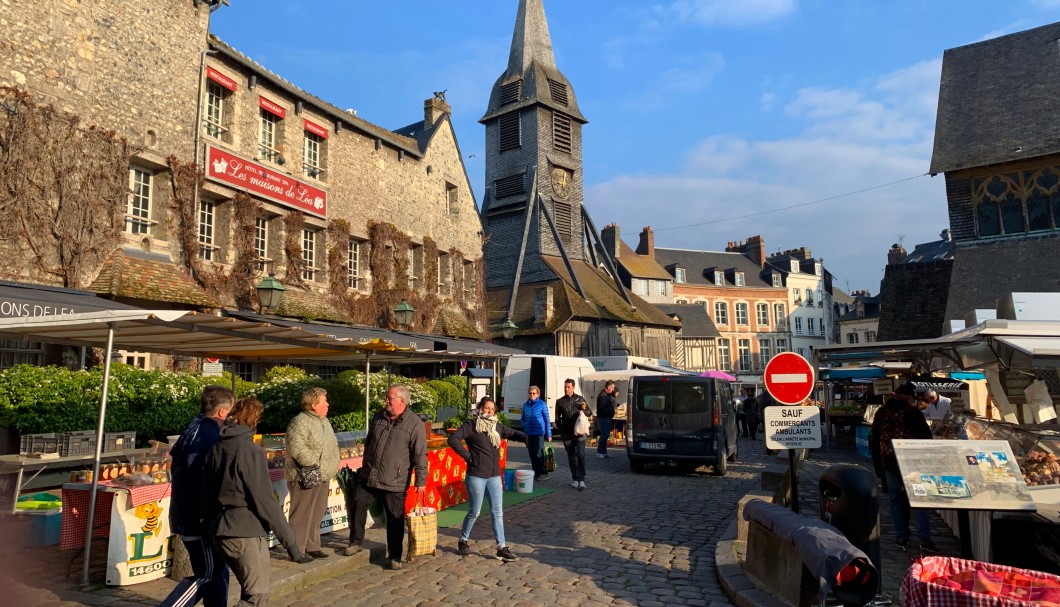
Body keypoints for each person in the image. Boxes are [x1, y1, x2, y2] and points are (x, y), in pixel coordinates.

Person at [203, 398, 311, 607]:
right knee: (256, 596)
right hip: (244, 530)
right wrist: (292, 545)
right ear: (254, 420)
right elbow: (264, 501)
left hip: (220, 528)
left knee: (250, 591)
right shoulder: (249, 451)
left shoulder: (216, 446)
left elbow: (205, 492)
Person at [160, 386, 232, 607]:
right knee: (208, 573)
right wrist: (205, 514)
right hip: (197, 517)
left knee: (217, 572)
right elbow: (199, 478)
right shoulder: (206, 434)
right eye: (230, 411)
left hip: (191, 513)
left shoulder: (196, 426)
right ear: (221, 412)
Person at [344, 384, 428, 570]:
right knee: (357, 502)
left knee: (395, 518)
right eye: (387, 398)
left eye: (390, 398)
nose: (386, 402)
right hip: (370, 475)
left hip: (395, 479)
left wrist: (421, 480)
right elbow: (369, 443)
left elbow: (420, 454)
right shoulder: (379, 416)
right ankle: (356, 542)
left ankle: (395, 556)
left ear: (401, 401)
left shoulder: (414, 423)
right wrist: (365, 465)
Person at [448, 397, 527, 561]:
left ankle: (501, 547)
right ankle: (463, 540)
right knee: (475, 512)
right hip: (476, 475)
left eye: (492, 409)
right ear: (480, 408)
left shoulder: (496, 426)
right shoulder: (471, 425)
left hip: (494, 476)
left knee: (497, 513)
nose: (489, 411)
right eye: (487, 408)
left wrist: (528, 437)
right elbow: (453, 439)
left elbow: (511, 433)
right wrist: (468, 457)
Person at [870, 383, 936, 551]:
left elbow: (875, 440)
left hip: (889, 462)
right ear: (908, 398)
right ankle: (925, 539)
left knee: (895, 499)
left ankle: (901, 536)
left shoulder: (882, 412)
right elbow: (927, 438)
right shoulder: (913, 413)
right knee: (920, 500)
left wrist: (878, 467)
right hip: (913, 462)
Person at [285, 387, 340, 560]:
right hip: (305, 475)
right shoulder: (299, 422)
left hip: (323, 474)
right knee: (301, 513)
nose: (327, 404)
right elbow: (296, 447)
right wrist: (313, 463)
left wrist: (332, 464)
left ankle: (312, 545)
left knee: (317, 512)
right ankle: (297, 550)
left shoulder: (324, 421)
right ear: (314, 404)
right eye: (324, 401)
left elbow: (332, 445)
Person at [555, 378, 591, 489]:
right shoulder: (560, 401)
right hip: (567, 433)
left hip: (579, 432)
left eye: (568, 387)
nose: (566, 389)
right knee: (571, 457)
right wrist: (562, 431)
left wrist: (583, 409)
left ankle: (582, 479)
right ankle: (575, 478)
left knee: (580, 454)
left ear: (573, 387)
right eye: (565, 387)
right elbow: (557, 419)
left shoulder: (580, 399)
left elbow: (589, 412)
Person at [520, 385, 552, 481]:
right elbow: (523, 418)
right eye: (530, 393)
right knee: (531, 453)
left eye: (534, 393)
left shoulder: (542, 404)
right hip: (528, 433)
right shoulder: (525, 405)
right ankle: (536, 472)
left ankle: (543, 472)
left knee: (538, 453)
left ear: (538, 394)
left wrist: (549, 434)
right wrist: (524, 425)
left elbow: (547, 420)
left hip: (539, 433)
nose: (532, 395)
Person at [595, 380, 617, 458]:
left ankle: (604, 452)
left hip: (606, 417)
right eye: (612, 388)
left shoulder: (607, 395)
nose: (613, 390)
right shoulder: (602, 396)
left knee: (606, 435)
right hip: (603, 417)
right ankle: (599, 452)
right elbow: (602, 408)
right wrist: (609, 412)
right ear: (608, 387)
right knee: (604, 435)